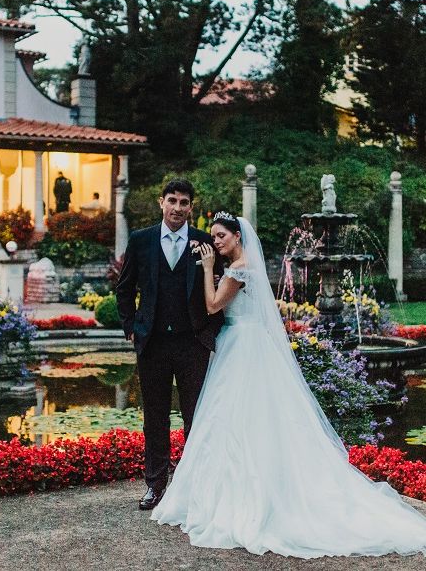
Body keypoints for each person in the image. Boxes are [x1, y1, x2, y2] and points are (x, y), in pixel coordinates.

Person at [152, 212, 426, 557]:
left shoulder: (239, 268)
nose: (216, 243)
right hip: (244, 343)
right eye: (214, 237)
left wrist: (208, 270)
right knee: (239, 417)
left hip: (242, 347)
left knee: (236, 415)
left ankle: (247, 495)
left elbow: (212, 305)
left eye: (221, 236)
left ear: (237, 236)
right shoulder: (242, 263)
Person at [116, 179, 224, 510]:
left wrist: (211, 330)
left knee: (196, 417)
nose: (178, 207)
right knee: (156, 416)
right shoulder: (141, 240)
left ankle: (194, 486)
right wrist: (131, 327)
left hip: (193, 343)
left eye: (184, 202)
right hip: (153, 342)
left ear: (192, 207)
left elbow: (219, 292)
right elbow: (124, 288)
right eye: (172, 201)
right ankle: (155, 484)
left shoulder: (205, 243)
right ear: (161, 202)